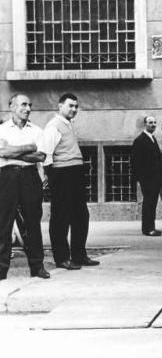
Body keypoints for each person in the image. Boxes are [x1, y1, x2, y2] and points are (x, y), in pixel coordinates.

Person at [43, 93, 99, 268]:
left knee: (81, 215)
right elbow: (46, 155)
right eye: (70, 106)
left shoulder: (69, 125)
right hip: (61, 174)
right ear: (60, 106)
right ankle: (62, 258)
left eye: (76, 106)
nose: (74, 109)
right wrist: (51, 178)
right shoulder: (53, 126)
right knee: (61, 217)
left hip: (75, 174)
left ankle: (79, 255)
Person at [0, 94, 49, 280]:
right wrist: (29, 147)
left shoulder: (37, 130)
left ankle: (37, 267)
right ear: (12, 106)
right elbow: (2, 152)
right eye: (23, 104)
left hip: (30, 177)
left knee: (33, 223)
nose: (27, 108)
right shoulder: (2, 130)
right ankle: (1, 268)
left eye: (29, 105)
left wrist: (13, 151)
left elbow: (41, 156)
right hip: (7, 177)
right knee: (3, 224)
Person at [131, 116, 162, 237]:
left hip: (155, 178)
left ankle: (151, 227)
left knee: (152, 203)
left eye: (155, 122)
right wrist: (140, 179)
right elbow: (136, 162)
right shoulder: (140, 140)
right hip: (147, 179)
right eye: (150, 123)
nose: (153, 125)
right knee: (148, 203)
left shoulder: (152, 138)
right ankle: (148, 229)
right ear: (145, 124)